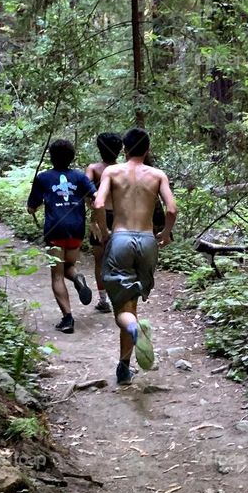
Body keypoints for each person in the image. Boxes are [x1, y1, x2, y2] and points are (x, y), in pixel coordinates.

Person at [93, 127, 177, 385]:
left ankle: (134, 330)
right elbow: (171, 209)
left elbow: (98, 203)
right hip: (147, 240)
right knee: (132, 304)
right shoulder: (157, 174)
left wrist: (105, 233)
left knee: (123, 309)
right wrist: (164, 234)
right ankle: (123, 368)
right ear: (147, 149)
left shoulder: (112, 171)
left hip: (121, 238)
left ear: (125, 149)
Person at [27, 138, 96, 334]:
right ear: (72, 156)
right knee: (69, 267)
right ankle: (77, 277)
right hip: (76, 228)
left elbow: (32, 206)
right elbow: (94, 196)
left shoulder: (43, 178)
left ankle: (67, 318)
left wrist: (33, 208)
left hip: (54, 230)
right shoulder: (80, 176)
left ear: (51, 156)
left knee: (57, 275)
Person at [84, 132, 123, 313]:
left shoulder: (93, 169)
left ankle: (103, 300)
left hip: (98, 218)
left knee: (100, 260)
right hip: (121, 217)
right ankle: (121, 297)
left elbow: (85, 190)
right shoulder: (123, 169)